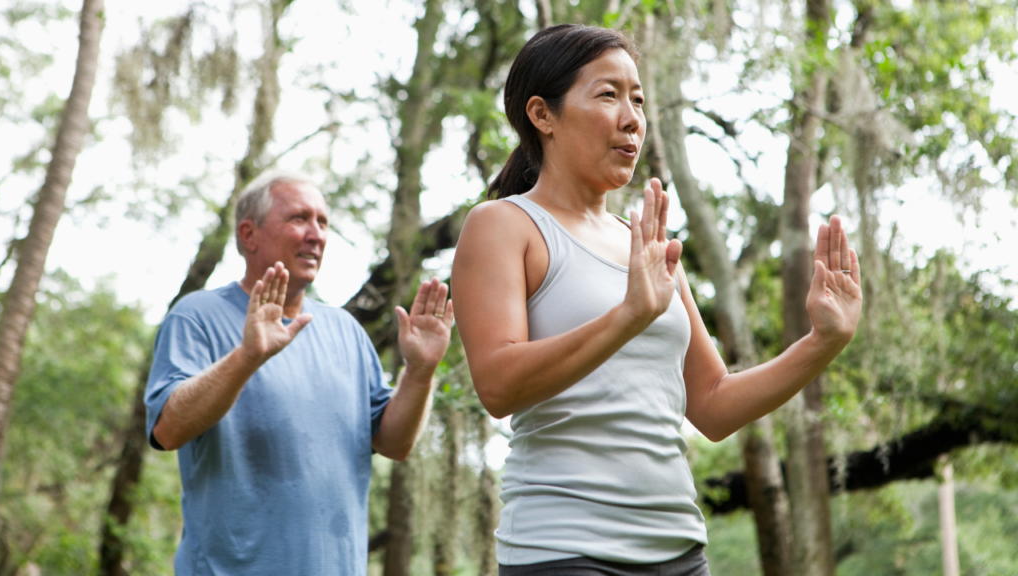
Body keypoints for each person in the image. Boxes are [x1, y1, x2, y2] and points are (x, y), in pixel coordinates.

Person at [451, 24, 862, 576]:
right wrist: (627, 317)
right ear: (542, 115)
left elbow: (712, 405)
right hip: (564, 552)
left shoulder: (647, 246)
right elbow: (498, 385)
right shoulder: (504, 225)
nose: (632, 118)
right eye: (608, 94)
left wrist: (822, 343)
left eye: (638, 99)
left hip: (679, 551)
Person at [145, 171, 453, 575]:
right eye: (299, 219)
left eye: (323, 222)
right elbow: (168, 430)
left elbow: (393, 443)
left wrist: (420, 372)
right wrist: (247, 357)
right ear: (249, 235)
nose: (317, 234)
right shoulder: (197, 316)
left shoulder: (346, 331)